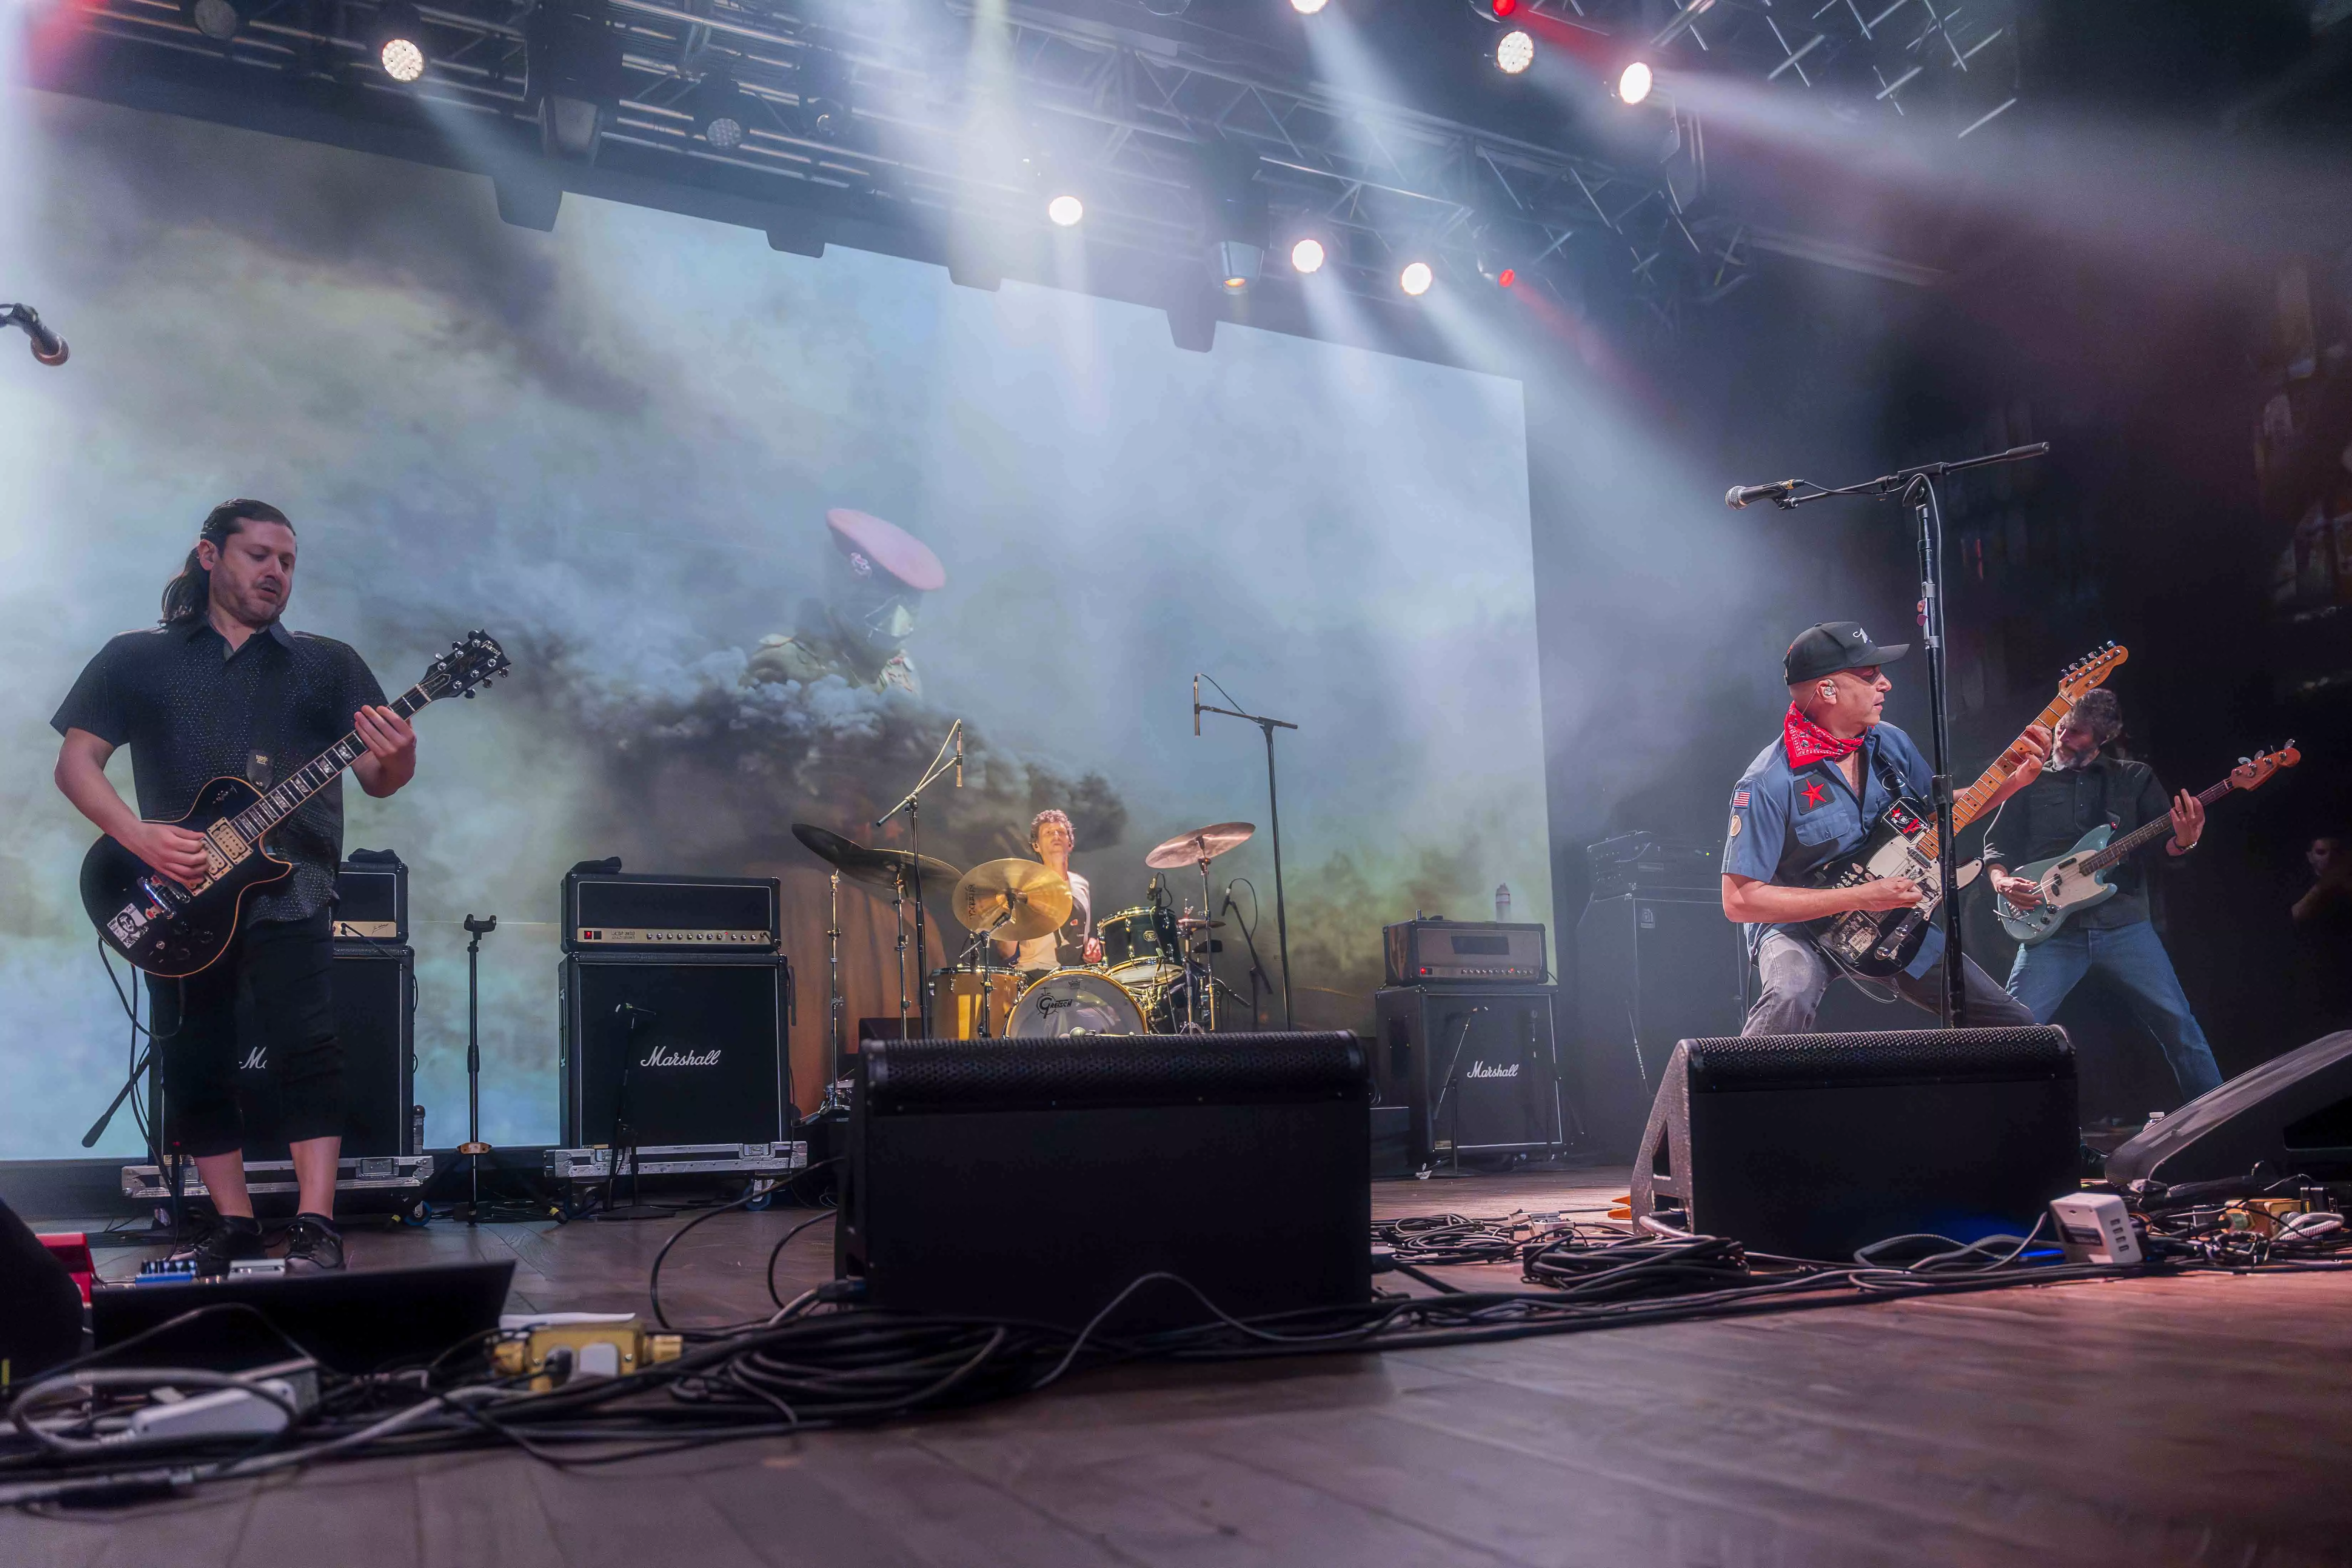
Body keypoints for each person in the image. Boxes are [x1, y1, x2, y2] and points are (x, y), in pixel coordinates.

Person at [52, 500, 416, 1275]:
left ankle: (317, 1223)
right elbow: (76, 763)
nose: (275, 573)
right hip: (176, 892)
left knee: (309, 1049)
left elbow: (379, 778)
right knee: (193, 1056)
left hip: (294, 886)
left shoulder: (330, 663)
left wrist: (402, 753)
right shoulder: (135, 657)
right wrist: (138, 834)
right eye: (259, 555)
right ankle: (234, 1223)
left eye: (287, 561)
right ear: (210, 556)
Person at [1723, 621, 2049, 1035]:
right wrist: (1859, 895)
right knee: (1790, 993)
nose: (1886, 684)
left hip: (1890, 923)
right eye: (1869, 675)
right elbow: (1740, 901)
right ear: (1827, 691)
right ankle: (1737, 1092)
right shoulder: (1767, 781)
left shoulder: (1890, 742)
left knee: (2013, 1025)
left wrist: (2013, 779)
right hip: (1799, 931)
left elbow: (1933, 819)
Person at [1983, 689, 2222, 1104]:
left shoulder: (2134, 778)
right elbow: (1995, 847)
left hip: (2123, 925)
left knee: (2178, 1025)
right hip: (2051, 931)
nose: (2061, 737)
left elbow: (2163, 853)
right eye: (2061, 727)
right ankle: (1990, 1124)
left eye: (2075, 733)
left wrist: (2183, 843)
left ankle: (2221, 1119)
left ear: (2102, 738)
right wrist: (2001, 882)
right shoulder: (2030, 779)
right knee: (2012, 1034)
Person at [743, 508, 945, 697]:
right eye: (880, 597)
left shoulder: (900, 671)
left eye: (909, 602)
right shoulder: (784, 666)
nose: (897, 620)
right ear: (846, 587)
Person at [995, 809, 1104, 972]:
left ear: (1070, 844)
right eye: (1048, 833)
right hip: (1036, 976)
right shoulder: (1024, 887)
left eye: (1061, 832)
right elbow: (1006, 952)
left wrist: (1092, 948)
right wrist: (1010, 911)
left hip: (1077, 977)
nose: (1056, 836)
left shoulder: (1082, 884)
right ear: (1036, 846)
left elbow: (1084, 938)